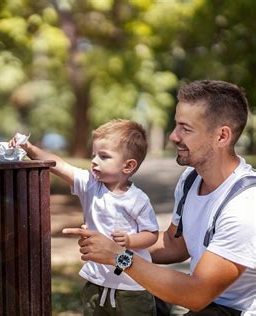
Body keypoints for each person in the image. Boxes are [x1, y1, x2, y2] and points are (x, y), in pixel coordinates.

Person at [63, 80, 256, 315]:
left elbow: (196, 294)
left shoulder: (245, 206)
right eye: (176, 126)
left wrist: (118, 256)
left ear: (222, 136)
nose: (173, 136)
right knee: (132, 293)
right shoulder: (191, 180)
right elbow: (175, 245)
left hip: (231, 309)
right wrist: (109, 243)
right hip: (205, 303)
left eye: (186, 128)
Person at [9, 119, 159, 315]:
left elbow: (152, 234)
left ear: (128, 166)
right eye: (94, 155)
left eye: (104, 156)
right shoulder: (90, 184)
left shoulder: (137, 199)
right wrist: (28, 147)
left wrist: (130, 240)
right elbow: (59, 165)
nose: (94, 161)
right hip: (96, 282)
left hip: (132, 286)